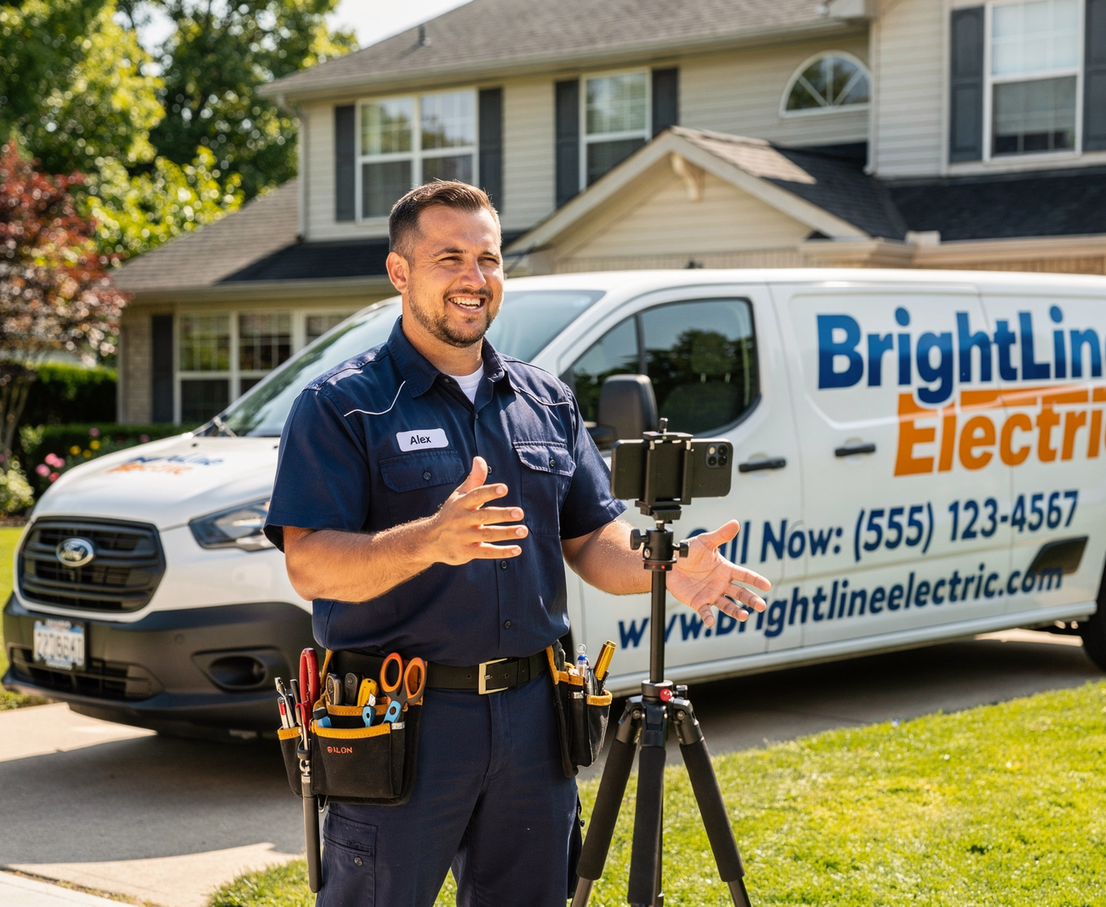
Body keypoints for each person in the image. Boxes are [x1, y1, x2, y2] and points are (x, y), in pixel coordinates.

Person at [264, 180, 771, 907]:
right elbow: (308, 562)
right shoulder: (342, 405)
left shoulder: (545, 400)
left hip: (534, 720)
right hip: (400, 719)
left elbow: (593, 537)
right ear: (400, 272)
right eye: (450, 259)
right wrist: (430, 539)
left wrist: (669, 570)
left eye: (489, 259)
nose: (475, 279)